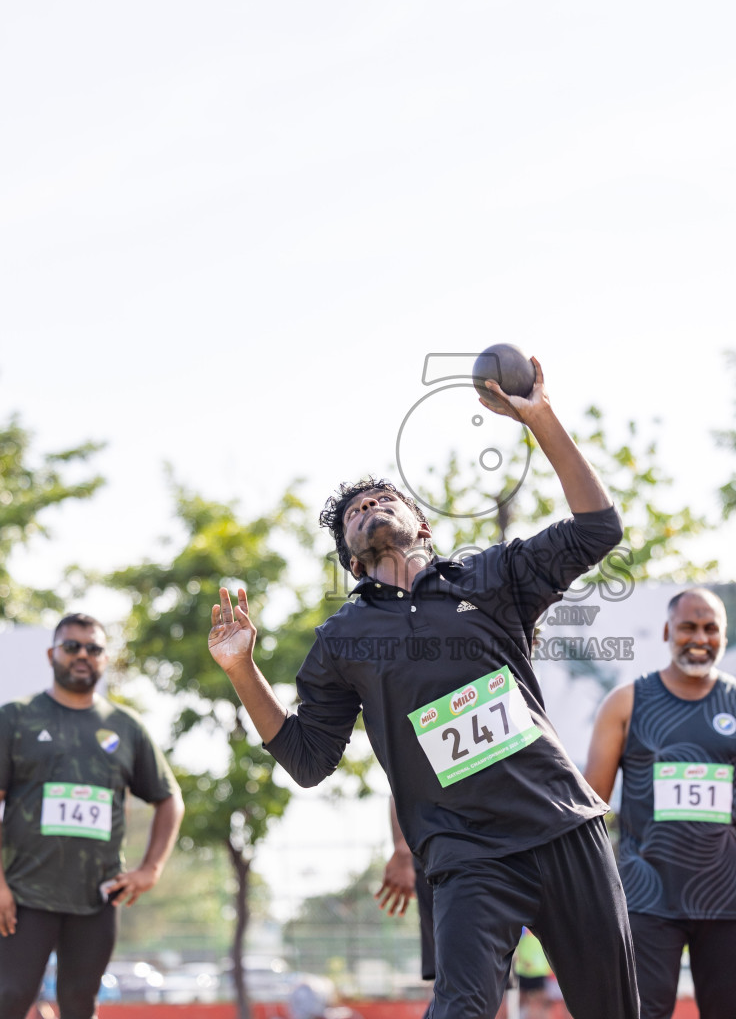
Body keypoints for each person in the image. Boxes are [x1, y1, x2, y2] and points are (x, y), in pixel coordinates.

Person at [207, 359, 639, 1019]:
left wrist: (539, 418)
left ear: (424, 525)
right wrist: (243, 671)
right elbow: (305, 760)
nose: (371, 507)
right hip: (466, 855)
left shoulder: (490, 579)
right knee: (460, 1011)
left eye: (385, 499)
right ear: (351, 559)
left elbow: (598, 529)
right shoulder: (342, 639)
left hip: (561, 824)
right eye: (355, 511)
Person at [584, 587, 736, 1019]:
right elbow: (590, 806)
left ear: (724, 636)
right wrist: (584, 889)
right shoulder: (626, 704)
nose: (700, 637)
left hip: (727, 898)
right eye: (688, 626)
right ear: (667, 631)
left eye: (711, 628)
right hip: (645, 896)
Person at [0, 613, 182, 1019]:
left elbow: (169, 799)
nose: (82, 655)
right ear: (52, 654)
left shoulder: (126, 726)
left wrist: (150, 869)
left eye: (93, 648)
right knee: (12, 998)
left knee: (80, 1004)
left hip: (97, 899)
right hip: (24, 896)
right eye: (72, 647)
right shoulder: (14, 718)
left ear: (105, 659)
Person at [375, 802, 435, 983]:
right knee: (464, 978)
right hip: (445, 859)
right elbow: (400, 783)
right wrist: (402, 848)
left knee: (482, 980)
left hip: (497, 854)